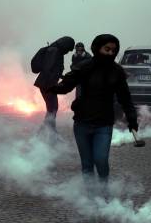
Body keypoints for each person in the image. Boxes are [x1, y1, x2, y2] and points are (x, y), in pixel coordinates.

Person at [50, 34, 138, 191]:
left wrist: (132, 120)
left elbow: (125, 98)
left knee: (101, 159)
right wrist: (52, 87)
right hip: (82, 122)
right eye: (107, 49)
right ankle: (91, 198)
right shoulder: (84, 67)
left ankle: (103, 191)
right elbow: (66, 86)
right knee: (87, 164)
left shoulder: (117, 72)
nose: (111, 53)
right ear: (97, 48)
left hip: (103, 124)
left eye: (114, 50)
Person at [33, 36, 75, 130]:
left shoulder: (55, 50)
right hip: (47, 84)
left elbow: (54, 69)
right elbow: (48, 68)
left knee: (52, 108)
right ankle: (48, 131)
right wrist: (52, 85)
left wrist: (61, 76)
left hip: (47, 83)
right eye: (68, 49)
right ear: (65, 45)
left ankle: (47, 130)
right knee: (52, 108)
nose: (67, 52)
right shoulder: (54, 51)